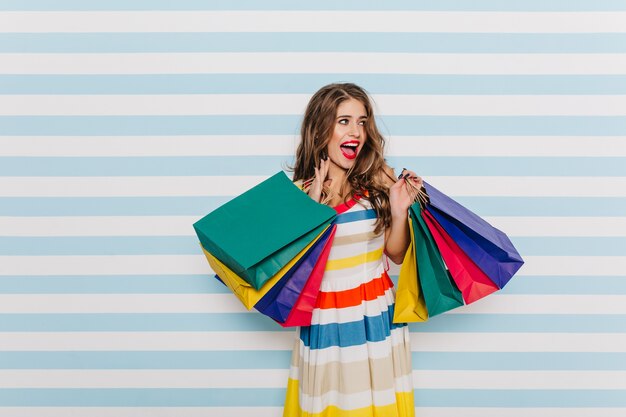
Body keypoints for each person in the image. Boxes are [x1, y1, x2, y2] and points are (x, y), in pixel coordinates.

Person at [284, 83, 422, 417]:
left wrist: (400, 210)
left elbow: (397, 254)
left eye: (362, 121)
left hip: (375, 315)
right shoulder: (297, 193)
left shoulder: (380, 179)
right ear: (321, 129)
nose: (356, 131)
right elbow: (289, 271)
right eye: (344, 121)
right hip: (325, 318)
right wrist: (311, 211)